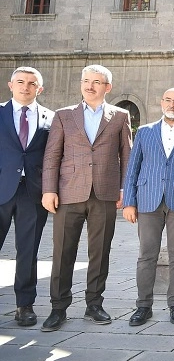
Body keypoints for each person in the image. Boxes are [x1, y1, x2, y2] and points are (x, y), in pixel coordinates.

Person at [41, 64, 132, 332]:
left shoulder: (120, 116)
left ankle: (94, 304)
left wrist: (125, 190)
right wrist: (49, 189)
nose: (89, 86)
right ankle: (58, 308)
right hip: (68, 192)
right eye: (86, 81)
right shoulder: (63, 115)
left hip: (105, 193)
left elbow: (127, 155)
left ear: (107, 87)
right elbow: (52, 155)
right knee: (62, 252)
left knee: (100, 252)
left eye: (96, 82)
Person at [123, 87, 174, 326]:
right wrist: (129, 202)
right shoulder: (145, 132)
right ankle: (143, 306)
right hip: (148, 199)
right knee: (146, 255)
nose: (172, 105)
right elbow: (132, 169)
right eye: (168, 100)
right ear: (161, 103)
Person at [0, 67, 54, 326]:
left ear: (39, 89)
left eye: (32, 83)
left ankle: (24, 305)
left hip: (33, 193)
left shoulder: (51, 118)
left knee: (28, 250)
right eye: (20, 82)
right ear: (10, 85)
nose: (25, 86)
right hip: (1, 188)